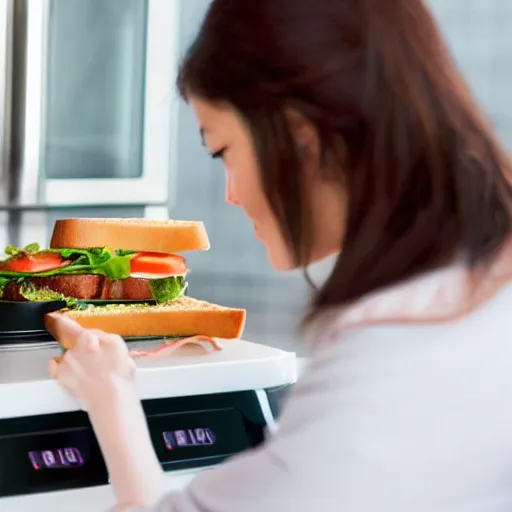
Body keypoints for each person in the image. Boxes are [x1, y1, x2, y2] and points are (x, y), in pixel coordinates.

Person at [50, 0, 512, 510]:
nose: (229, 194)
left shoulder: (381, 368)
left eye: (223, 150)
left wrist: (111, 397)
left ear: (299, 138)